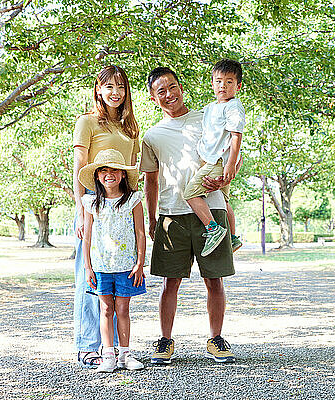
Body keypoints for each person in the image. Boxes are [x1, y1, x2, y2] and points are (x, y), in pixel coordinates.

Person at [140, 66, 236, 364]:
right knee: (170, 282)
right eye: (161, 91)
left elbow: (233, 145)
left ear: (181, 87)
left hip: (211, 208)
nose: (169, 94)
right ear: (153, 98)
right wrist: (152, 217)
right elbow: (151, 180)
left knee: (215, 280)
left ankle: (216, 339)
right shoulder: (152, 135)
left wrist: (226, 178)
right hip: (172, 214)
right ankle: (165, 341)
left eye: (172, 87)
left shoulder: (207, 118)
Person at [73, 65, 140, 368]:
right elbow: (80, 168)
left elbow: (132, 172)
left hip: (122, 210)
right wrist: (79, 210)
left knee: (119, 284)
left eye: (122, 87)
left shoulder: (130, 129)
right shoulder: (86, 122)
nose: (116, 93)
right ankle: (89, 345)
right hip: (95, 208)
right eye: (109, 86)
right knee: (92, 281)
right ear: (98, 89)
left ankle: (115, 350)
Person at [79, 148, 146, 373]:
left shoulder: (133, 200)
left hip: (126, 266)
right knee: (105, 309)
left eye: (115, 170)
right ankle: (108, 354)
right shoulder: (91, 203)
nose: (110, 174)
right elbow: (87, 237)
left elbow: (140, 233)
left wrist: (140, 262)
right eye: (104, 171)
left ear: (123, 174)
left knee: (123, 309)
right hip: (100, 266)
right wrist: (88, 267)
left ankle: (125, 354)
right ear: (97, 176)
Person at [183, 59, 245, 256]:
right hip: (210, 158)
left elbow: (236, 137)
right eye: (218, 81)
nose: (223, 86)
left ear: (238, 86)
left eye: (229, 82)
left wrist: (230, 165)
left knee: (191, 193)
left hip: (218, 161)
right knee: (224, 201)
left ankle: (213, 228)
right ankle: (233, 238)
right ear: (212, 83)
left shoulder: (233, 107)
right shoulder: (210, 108)